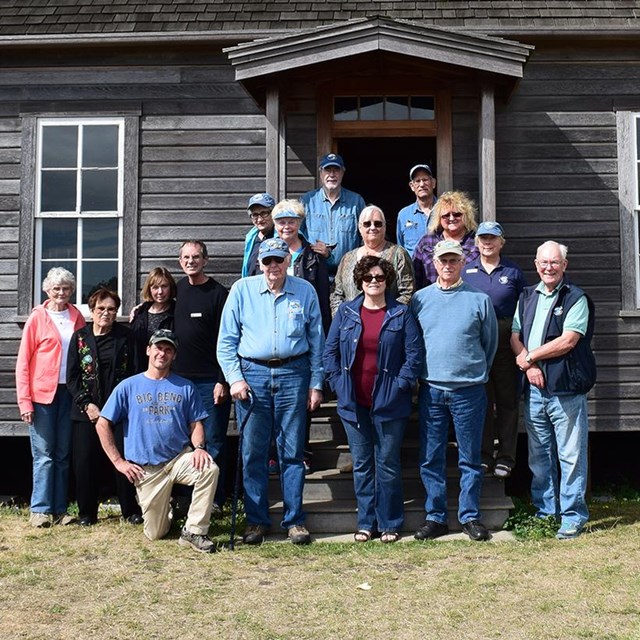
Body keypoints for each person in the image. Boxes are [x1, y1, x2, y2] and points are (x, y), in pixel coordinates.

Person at [217, 238, 325, 545]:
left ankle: (295, 521)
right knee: (254, 452)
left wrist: (316, 383)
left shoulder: (305, 291)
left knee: (292, 451)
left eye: (278, 260)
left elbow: (317, 341)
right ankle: (256, 521)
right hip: (253, 375)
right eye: (267, 261)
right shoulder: (242, 290)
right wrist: (235, 379)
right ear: (259, 263)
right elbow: (226, 342)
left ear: (288, 260)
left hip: (295, 372)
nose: (273, 266)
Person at [323, 256, 423, 543]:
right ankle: (366, 522)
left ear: (387, 280)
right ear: (360, 282)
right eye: (368, 278)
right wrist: (339, 385)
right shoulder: (346, 312)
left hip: (390, 403)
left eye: (379, 277)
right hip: (354, 402)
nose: (374, 282)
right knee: (363, 463)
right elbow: (330, 354)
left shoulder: (400, 314)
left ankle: (389, 522)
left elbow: (414, 356)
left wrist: (400, 386)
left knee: (388, 463)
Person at [95, 329, 219, 552]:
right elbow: (102, 423)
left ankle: (194, 531)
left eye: (168, 349)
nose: (162, 353)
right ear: (148, 350)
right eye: (158, 348)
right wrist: (118, 462)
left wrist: (199, 448)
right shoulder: (128, 386)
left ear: (174, 355)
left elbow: (196, 424)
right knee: (155, 533)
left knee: (209, 468)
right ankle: (168, 509)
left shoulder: (185, 387)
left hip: (179, 458)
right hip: (147, 470)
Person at [411, 240, 498, 542]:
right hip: (432, 389)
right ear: (433, 264)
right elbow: (415, 343)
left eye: (453, 261)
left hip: (469, 391)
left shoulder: (479, 299)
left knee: (470, 457)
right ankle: (435, 517)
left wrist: (473, 372)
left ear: (463, 263)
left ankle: (469, 516)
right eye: (442, 261)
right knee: (431, 456)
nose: (447, 266)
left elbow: (490, 344)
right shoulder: (420, 300)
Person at [511, 241, 596, 540]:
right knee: (539, 454)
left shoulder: (576, 298)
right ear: (536, 265)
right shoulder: (526, 297)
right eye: (544, 262)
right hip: (534, 389)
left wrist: (531, 357)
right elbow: (515, 335)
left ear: (564, 265)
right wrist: (527, 364)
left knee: (571, 455)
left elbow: (568, 341)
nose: (549, 267)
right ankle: (546, 510)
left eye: (555, 262)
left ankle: (573, 515)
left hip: (566, 390)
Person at [16, 267, 86, 528]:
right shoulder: (38, 317)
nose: (61, 293)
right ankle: (40, 510)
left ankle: (59, 510)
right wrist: (25, 401)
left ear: (71, 291)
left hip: (68, 393)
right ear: (47, 290)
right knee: (44, 454)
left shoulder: (76, 316)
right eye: (56, 288)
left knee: (62, 453)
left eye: (66, 288)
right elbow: (23, 362)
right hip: (41, 395)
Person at [67, 288, 142, 526]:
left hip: (119, 412)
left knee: (123, 459)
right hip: (86, 413)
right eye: (101, 308)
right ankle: (87, 514)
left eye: (111, 309)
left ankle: (130, 510)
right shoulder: (80, 338)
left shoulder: (126, 337)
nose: (106, 313)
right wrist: (86, 404)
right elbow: (72, 376)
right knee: (85, 463)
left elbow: (136, 372)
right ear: (91, 310)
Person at [462, 221, 527, 479]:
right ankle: (484, 455)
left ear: (501, 242)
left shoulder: (513, 272)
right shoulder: (466, 271)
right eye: (483, 239)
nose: (487, 243)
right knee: (482, 401)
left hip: (505, 344)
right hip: (477, 346)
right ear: (476, 242)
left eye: (492, 239)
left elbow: (524, 310)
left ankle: (507, 457)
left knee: (507, 400)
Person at [174, 240, 231, 513]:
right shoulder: (177, 290)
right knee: (184, 442)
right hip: (179, 381)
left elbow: (229, 338)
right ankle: (187, 498)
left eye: (196, 257)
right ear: (180, 261)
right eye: (186, 257)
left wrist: (223, 379)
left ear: (205, 260)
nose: (191, 261)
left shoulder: (219, 293)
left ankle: (215, 500)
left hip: (211, 381)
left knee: (214, 441)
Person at [331, 205, 414, 316]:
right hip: (351, 326)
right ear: (359, 228)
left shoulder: (399, 254)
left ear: (384, 227)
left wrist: (388, 318)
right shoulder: (347, 258)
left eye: (378, 223)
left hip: (388, 325)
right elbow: (337, 295)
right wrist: (343, 319)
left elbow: (408, 293)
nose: (373, 227)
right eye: (367, 224)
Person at [272, 198, 331, 335]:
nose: (286, 227)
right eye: (281, 222)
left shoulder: (314, 256)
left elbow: (323, 299)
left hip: (306, 323)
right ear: (275, 225)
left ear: (299, 223)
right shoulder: (264, 255)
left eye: (291, 222)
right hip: (274, 324)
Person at [300, 153, 365, 275]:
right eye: (327, 170)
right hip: (314, 272)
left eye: (336, 170)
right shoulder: (307, 201)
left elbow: (365, 238)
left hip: (349, 273)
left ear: (343, 172)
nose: (331, 175)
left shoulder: (356, 201)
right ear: (320, 173)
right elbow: (298, 236)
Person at [412, 191, 479, 290]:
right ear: (439, 218)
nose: (451, 218)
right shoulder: (426, 241)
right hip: (432, 300)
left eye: (457, 214)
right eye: (446, 215)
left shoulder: (477, 242)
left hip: (467, 298)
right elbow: (415, 276)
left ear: (466, 216)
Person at [130, 267, 176, 372]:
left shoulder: (177, 312)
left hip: (168, 372)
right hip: (141, 371)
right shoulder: (140, 313)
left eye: (164, 286)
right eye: (155, 287)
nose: (160, 292)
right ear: (149, 289)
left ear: (171, 287)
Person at [396, 164, 437, 257]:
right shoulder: (403, 215)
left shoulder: (445, 210)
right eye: (417, 181)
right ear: (412, 186)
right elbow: (401, 249)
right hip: (413, 271)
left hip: (441, 269)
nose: (422, 184)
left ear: (433, 183)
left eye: (425, 180)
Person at [242, 193, 276, 277]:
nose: (259, 219)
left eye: (264, 213)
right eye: (255, 215)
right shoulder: (251, 238)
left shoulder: (282, 238)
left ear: (273, 213)